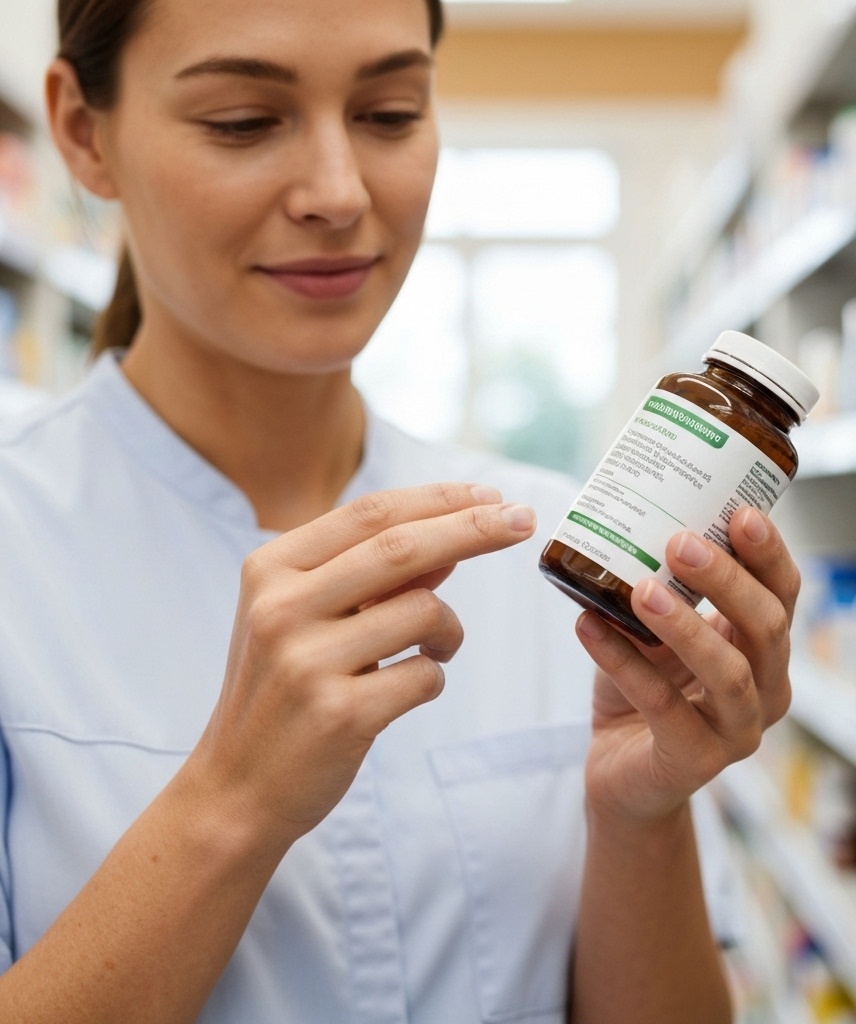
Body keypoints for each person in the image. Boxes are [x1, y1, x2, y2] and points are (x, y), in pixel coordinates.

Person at [0, 0, 801, 1020]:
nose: (339, 193)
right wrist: (231, 805)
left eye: (389, 112)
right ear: (81, 130)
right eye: (243, 121)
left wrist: (638, 815)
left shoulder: (559, 549)